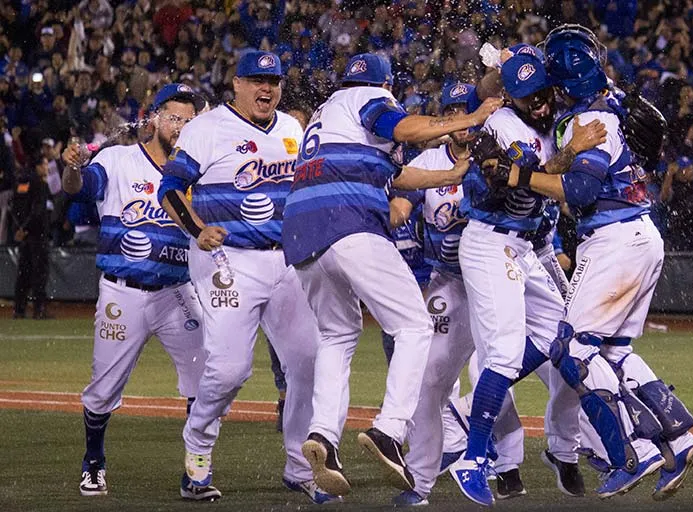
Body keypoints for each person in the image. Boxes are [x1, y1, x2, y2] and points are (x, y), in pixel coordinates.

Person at [281, 53, 502, 497]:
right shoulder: (369, 96)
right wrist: (475, 115)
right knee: (414, 325)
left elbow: (396, 175)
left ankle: (323, 434)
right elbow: (402, 129)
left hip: (301, 231)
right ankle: (389, 428)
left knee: (337, 336)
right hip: (348, 221)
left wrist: (451, 172)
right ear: (383, 85)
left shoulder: (327, 117)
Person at [506, 24, 693, 500]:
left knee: (572, 352)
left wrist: (518, 175)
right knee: (614, 354)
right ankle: (677, 439)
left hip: (613, 238)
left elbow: (579, 191)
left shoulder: (585, 120)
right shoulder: (613, 102)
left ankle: (631, 454)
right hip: (641, 233)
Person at [157, 51, 338, 505]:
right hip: (227, 258)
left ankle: (300, 468)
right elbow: (170, 189)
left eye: (273, 80)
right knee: (230, 368)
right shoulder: (207, 127)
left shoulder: (293, 129)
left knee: (309, 362)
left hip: (286, 260)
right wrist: (196, 229)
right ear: (235, 83)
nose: (266, 88)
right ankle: (197, 449)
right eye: (256, 79)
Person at [447, 47, 604, 507]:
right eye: (529, 97)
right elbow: (519, 176)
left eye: (543, 94)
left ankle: (484, 397)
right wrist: (573, 150)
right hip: (489, 241)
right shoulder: (500, 125)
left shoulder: (547, 120)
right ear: (512, 97)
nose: (539, 103)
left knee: (561, 329)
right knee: (502, 354)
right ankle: (474, 457)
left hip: (524, 245)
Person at [61, 83, 211, 499]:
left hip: (176, 291)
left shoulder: (198, 173)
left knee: (206, 376)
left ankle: (197, 470)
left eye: (188, 118)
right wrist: (72, 167)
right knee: (104, 388)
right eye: (174, 116)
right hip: (122, 293)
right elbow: (78, 187)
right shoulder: (119, 159)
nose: (180, 125)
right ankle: (93, 461)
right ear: (154, 117)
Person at [11, 152, 51, 319]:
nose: (47, 168)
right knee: (39, 273)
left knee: (23, 273)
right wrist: (27, 228)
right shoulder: (39, 184)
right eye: (45, 164)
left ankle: (19, 309)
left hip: (24, 235)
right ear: (38, 166)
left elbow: (13, 207)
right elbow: (38, 210)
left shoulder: (21, 181)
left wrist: (19, 229)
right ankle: (38, 309)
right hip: (37, 234)